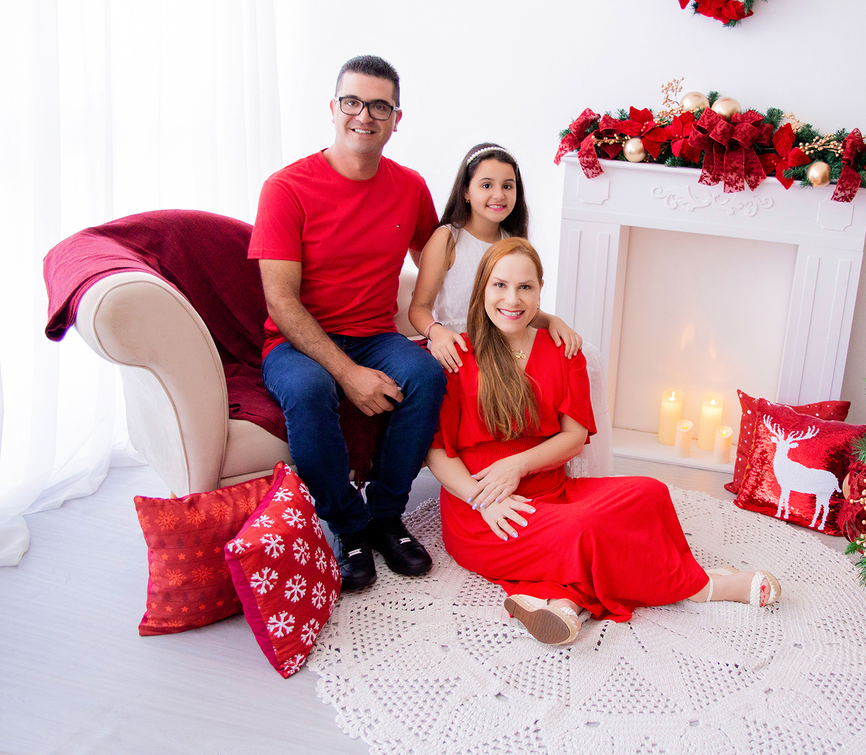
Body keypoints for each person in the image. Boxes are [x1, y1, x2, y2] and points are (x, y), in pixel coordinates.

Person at [426, 238, 781, 645]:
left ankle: (561, 602)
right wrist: (482, 498)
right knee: (586, 530)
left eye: (525, 287)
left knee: (649, 492)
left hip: (552, 490)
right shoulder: (457, 355)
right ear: (482, 289)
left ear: (540, 290)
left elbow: (574, 437)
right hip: (487, 511)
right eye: (500, 285)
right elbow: (437, 451)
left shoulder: (565, 351)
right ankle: (702, 588)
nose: (512, 298)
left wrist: (519, 464)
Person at [249, 55, 445, 591]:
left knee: (426, 375)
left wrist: (502, 286)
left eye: (379, 105)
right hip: (296, 342)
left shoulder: (409, 186)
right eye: (354, 102)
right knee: (311, 389)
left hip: (376, 334)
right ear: (334, 109)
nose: (365, 115)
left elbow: (441, 256)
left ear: (396, 118)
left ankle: (384, 514)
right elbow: (281, 303)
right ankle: (347, 525)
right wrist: (346, 373)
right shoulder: (286, 188)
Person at [408, 142, 581, 374]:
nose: (499, 195)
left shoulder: (513, 243)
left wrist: (552, 321)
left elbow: (515, 307)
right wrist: (436, 333)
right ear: (466, 191)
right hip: (457, 351)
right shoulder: (447, 239)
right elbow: (419, 308)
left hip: (503, 348)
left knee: (575, 358)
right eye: (487, 185)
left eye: (508, 186)